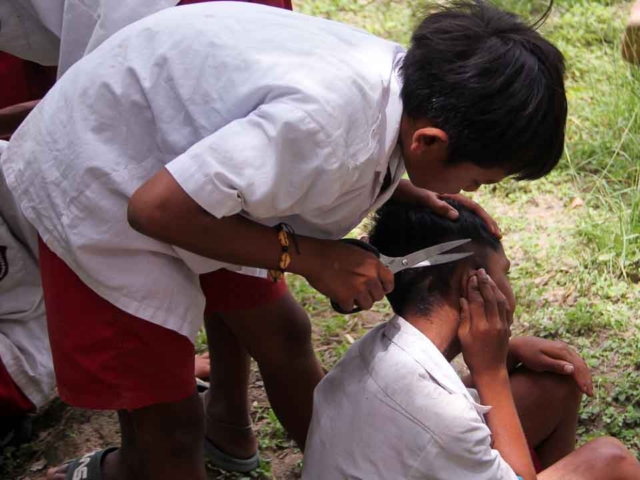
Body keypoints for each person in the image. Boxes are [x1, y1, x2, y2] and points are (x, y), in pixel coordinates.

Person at [1, 1, 567, 479]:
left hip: (190, 170)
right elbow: (155, 209)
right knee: (170, 432)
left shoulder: (400, 91)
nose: (472, 191)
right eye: (477, 178)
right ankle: (115, 470)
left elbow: (309, 150)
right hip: (103, 186)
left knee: (284, 334)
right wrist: (310, 257)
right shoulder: (322, 124)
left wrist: (402, 189)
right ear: (429, 141)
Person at [303, 201, 640, 480]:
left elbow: (429, 404)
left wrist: (508, 355)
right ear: (474, 284)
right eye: (504, 273)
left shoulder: (374, 350)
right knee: (610, 460)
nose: (509, 287)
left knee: (554, 384)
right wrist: (492, 372)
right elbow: (439, 420)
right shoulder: (443, 420)